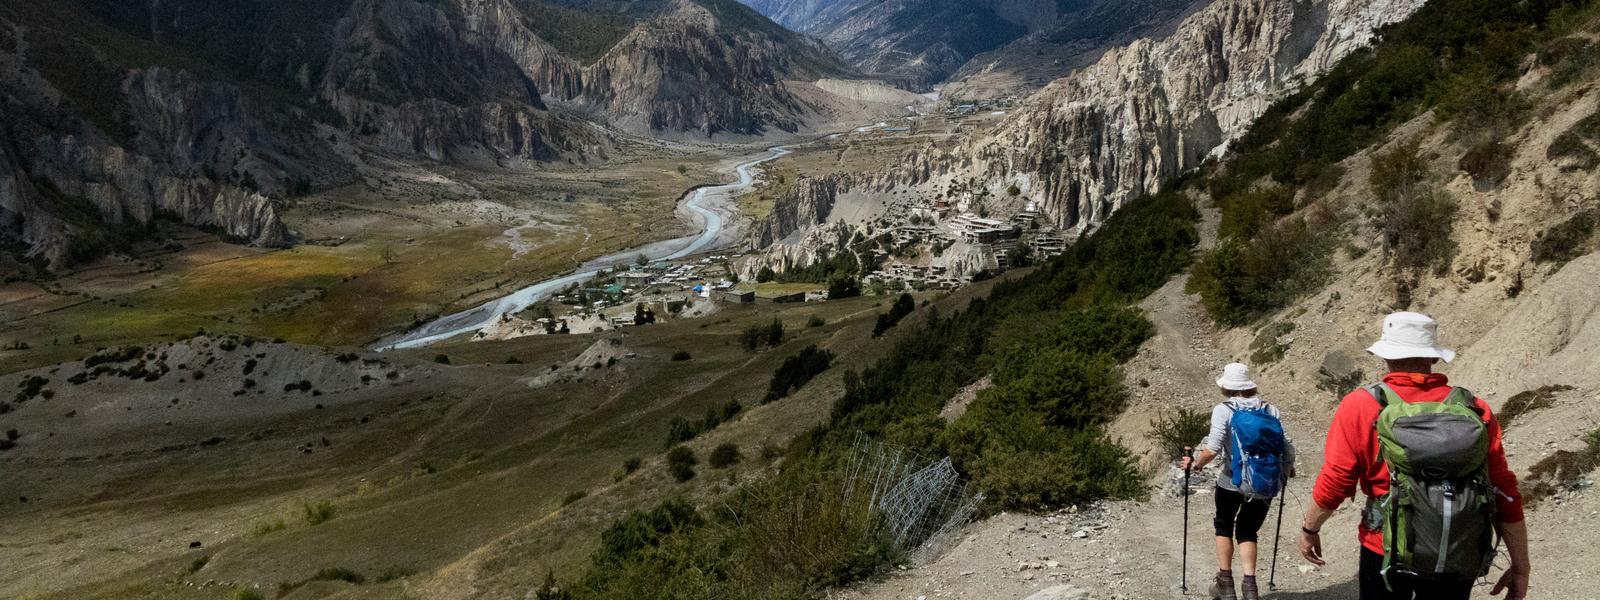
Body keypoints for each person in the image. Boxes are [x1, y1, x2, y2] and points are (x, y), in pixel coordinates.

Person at [1299, 312, 1530, 600]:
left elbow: (1337, 479)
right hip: (1457, 548)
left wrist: (1310, 528)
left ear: (1386, 355)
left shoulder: (1360, 405)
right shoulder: (1475, 408)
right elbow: (1503, 490)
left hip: (1384, 547)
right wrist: (1521, 566)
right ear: (1433, 358)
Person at [1181, 362, 1295, 600]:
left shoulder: (1224, 410)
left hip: (1231, 482)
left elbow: (1212, 448)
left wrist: (1197, 464)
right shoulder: (1270, 410)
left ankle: (1226, 583)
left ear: (1227, 387)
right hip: (1264, 483)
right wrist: (1285, 470)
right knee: (1248, 530)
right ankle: (1250, 587)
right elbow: (1285, 446)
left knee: (1224, 525)